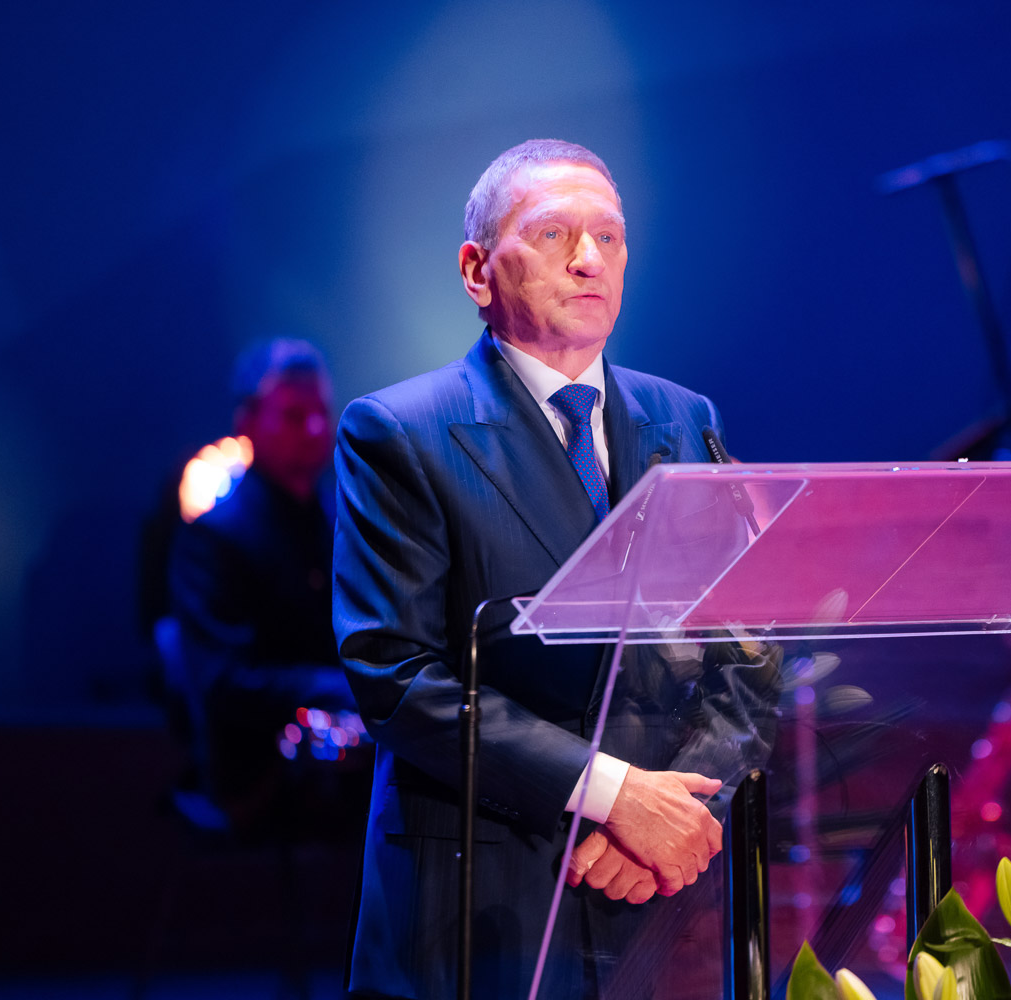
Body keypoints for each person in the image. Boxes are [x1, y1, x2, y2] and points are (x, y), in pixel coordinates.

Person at [334, 140, 775, 999]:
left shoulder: (686, 419)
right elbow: (396, 677)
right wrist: (612, 796)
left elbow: (747, 655)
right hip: (486, 898)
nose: (588, 260)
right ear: (477, 270)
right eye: (552, 234)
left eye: (608, 237)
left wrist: (680, 811)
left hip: (661, 891)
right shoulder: (398, 432)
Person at [168, 338, 361, 831]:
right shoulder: (214, 538)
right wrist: (341, 690)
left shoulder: (342, 523)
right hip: (260, 776)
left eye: (320, 413)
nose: (315, 428)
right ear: (248, 423)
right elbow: (224, 681)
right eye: (294, 415)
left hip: (338, 754)